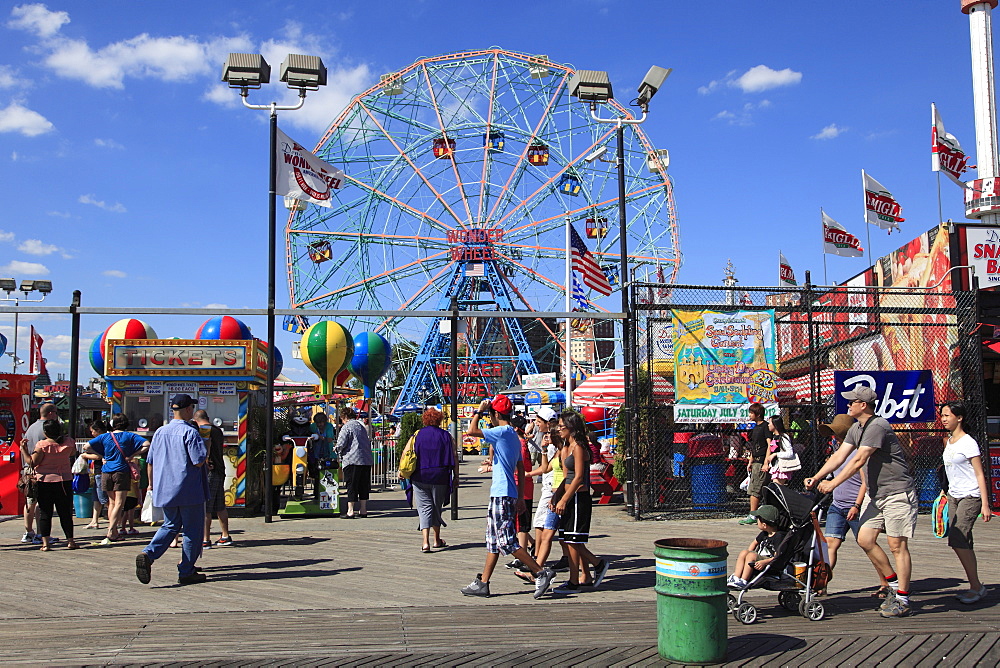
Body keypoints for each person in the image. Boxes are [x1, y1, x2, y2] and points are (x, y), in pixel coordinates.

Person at [806, 385, 918, 618]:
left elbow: (859, 460)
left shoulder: (877, 426)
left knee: (897, 545)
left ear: (863, 405)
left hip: (897, 492)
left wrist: (832, 484)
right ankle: (894, 586)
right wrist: (817, 478)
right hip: (877, 495)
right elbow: (840, 456)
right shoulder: (857, 428)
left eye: (851, 402)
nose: (848, 405)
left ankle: (903, 599)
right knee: (865, 539)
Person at [461, 395, 555, 599]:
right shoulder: (512, 433)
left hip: (501, 493)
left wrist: (478, 410)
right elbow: (520, 467)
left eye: (490, 414)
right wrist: (521, 497)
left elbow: (470, 432)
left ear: (495, 414)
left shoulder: (501, 431)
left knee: (506, 542)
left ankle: (540, 571)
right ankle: (483, 582)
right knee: (493, 541)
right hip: (510, 492)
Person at [135, 394, 208, 586]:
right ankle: (186, 570)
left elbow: (150, 462)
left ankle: (148, 554)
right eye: (191, 408)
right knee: (192, 530)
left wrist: (152, 484)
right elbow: (198, 460)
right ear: (186, 410)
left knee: (170, 525)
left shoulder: (160, 432)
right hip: (188, 488)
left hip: (165, 487)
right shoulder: (190, 433)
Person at [817, 415, 890, 597]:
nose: (833, 436)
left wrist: (856, 506)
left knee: (868, 545)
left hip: (856, 508)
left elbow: (865, 484)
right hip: (837, 505)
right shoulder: (837, 452)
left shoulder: (859, 453)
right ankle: (822, 584)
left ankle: (886, 583)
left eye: (836, 432)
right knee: (831, 544)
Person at [551, 410, 609, 593]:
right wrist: (557, 496)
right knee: (569, 539)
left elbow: (578, 478)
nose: (559, 430)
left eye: (562, 426)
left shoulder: (578, 447)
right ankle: (582, 574)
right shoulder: (566, 447)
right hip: (567, 496)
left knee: (574, 540)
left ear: (571, 427)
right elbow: (566, 477)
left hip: (578, 497)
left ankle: (591, 568)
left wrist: (564, 499)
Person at [939, 401, 992, 604]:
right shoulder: (949, 441)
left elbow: (979, 474)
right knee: (961, 539)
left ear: (959, 418)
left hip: (971, 496)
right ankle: (975, 585)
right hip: (954, 495)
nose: (944, 419)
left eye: (947, 415)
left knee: (958, 537)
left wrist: (985, 504)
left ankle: (976, 586)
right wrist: (945, 493)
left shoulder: (968, 442)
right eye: (942, 415)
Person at [86, 413, 149, 545]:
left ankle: (114, 531)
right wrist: (132, 455)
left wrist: (102, 455)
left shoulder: (105, 436)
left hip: (106, 471)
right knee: (120, 503)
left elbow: (87, 446)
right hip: (121, 471)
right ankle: (110, 531)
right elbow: (146, 444)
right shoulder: (129, 435)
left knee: (112, 503)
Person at [408, 407, 457, 552]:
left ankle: (425, 542)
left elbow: (407, 453)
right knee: (436, 508)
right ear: (440, 419)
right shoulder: (446, 436)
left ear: (425, 420)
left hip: (420, 476)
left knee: (424, 509)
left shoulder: (417, 435)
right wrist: (457, 476)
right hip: (440, 476)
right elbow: (454, 456)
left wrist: (402, 471)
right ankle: (436, 540)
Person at [30, 420, 79, 551]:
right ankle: (71, 541)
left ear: (45, 432)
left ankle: (46, 544)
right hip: (64, 480)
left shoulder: (42, 445)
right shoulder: (69, 442)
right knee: (65, 512)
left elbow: (33, 462)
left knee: (45, 512)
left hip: (44, 481)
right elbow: (73, 453)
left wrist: (23, 449)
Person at [19, 402, 59, 544]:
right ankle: (41, 534)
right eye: (55, 412)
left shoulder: (31, 427)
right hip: (41, 469)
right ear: (50, 414)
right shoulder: (47, 429)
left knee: (29, 501)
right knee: (41, 503)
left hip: (27, 468)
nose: (56, 415)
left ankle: (29, 531)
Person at [195, 409, 232, 548]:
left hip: (210, 470)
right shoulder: (217, 430)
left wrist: (205, 461)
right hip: (220, 469)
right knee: (220, 505)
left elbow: (206, 446)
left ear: (196, 419)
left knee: (206, 507)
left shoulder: (204, 429)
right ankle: (225, 535)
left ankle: (205, 539)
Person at [728, 505, 787, 588]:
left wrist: (764, 562)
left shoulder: (779, 537)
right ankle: (736, 577)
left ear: (764, 525)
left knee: (751, 555)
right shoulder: (764, 533)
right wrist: (747, 553)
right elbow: (754, 543)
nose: (756, 521)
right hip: (759, 559)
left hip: (770, 563)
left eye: (758, 519)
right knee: (744, 552)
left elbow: (778, 556)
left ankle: (744, 580)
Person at [336, 406, 373, 518]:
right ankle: (363, 510)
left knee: (352, 485)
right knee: (363, 486)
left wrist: (336, 450)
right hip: (366, 459)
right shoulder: (361, 426)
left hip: (352, 460)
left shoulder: (346, 427)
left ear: (344, 417)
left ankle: (350, 511)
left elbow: (341, 443)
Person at [738, 403, 771, 524]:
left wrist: (766, 462)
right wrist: (751, 461)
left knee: (755, 490)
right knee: (753, 488)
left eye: (751, 413)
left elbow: (769, 445)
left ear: (758, 414)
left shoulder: (765, 427)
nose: (749, 415)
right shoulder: (755, 428)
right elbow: (754, 447)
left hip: (762, 462)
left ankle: (753, 515)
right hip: (756, 461)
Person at [81, 420, 109, 530]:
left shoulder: (101, 440)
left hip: (101, 472)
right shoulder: (104, 439)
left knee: (103, 498)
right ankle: (94, 520)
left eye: (93, 431)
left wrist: (85, 455)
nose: (92, 433)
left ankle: (114, 521)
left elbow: (98, 456)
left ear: (98, 431)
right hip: (98, 471)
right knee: (96, 498)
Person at [763, 416, 800, 486]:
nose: (768, 425)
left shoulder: (783, 437)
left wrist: (775, 454)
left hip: (781, 468)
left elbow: (790, 453)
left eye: (769, 423)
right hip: (775, 466)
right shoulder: (774, 437)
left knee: (776, 489)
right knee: (775, 489)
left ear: (775, 424)